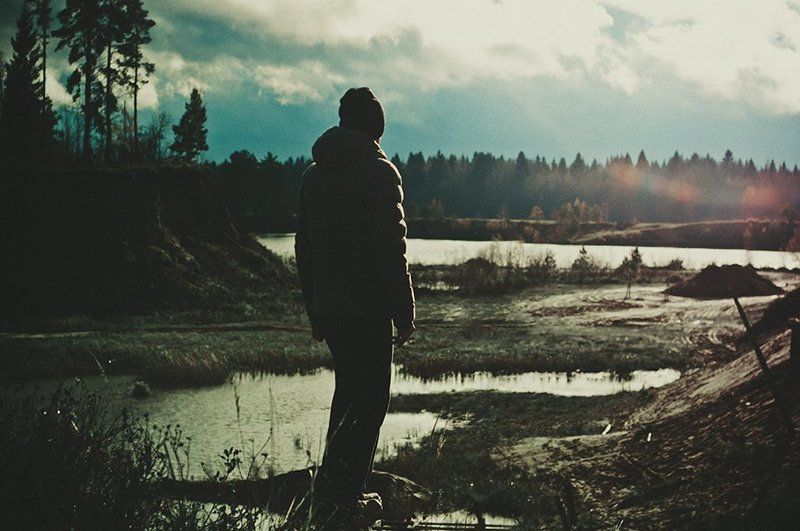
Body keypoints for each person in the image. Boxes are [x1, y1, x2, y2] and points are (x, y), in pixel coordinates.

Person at [295, 87, 416, 527]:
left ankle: (332, 497)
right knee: (369, 406)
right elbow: (390, 250)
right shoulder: (379, 174)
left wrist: (315, 310)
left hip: (332, 310)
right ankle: (344, 502)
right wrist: (404, 314)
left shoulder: (314, 175)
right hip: (367, 312)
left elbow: (303, 250)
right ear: (375, 128)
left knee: (347, 399)